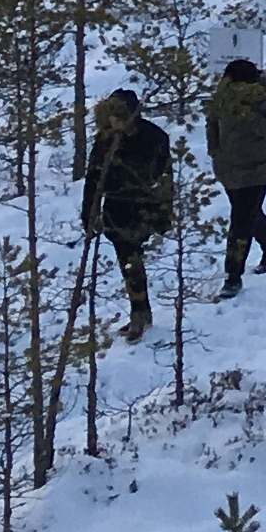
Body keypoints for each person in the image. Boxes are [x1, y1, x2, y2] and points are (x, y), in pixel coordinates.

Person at [78, 88, 177, 342]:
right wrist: (89, 212)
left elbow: (163, 176)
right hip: (117, 208)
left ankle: (139, 313)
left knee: (132, 258)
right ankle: (140, 311)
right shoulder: (105, 139)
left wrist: (165, 212)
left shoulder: (154, 137)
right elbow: (93, 177)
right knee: (128, 259)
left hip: (144, 205)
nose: (115, 122)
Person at [206, 53, 266, 295]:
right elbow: (211, 120)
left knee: (241, 220)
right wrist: (214, 149)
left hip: (257, 166)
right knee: (248, 212)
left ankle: (233, 276)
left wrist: (248, 115)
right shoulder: (223, 94)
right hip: (228, 165)